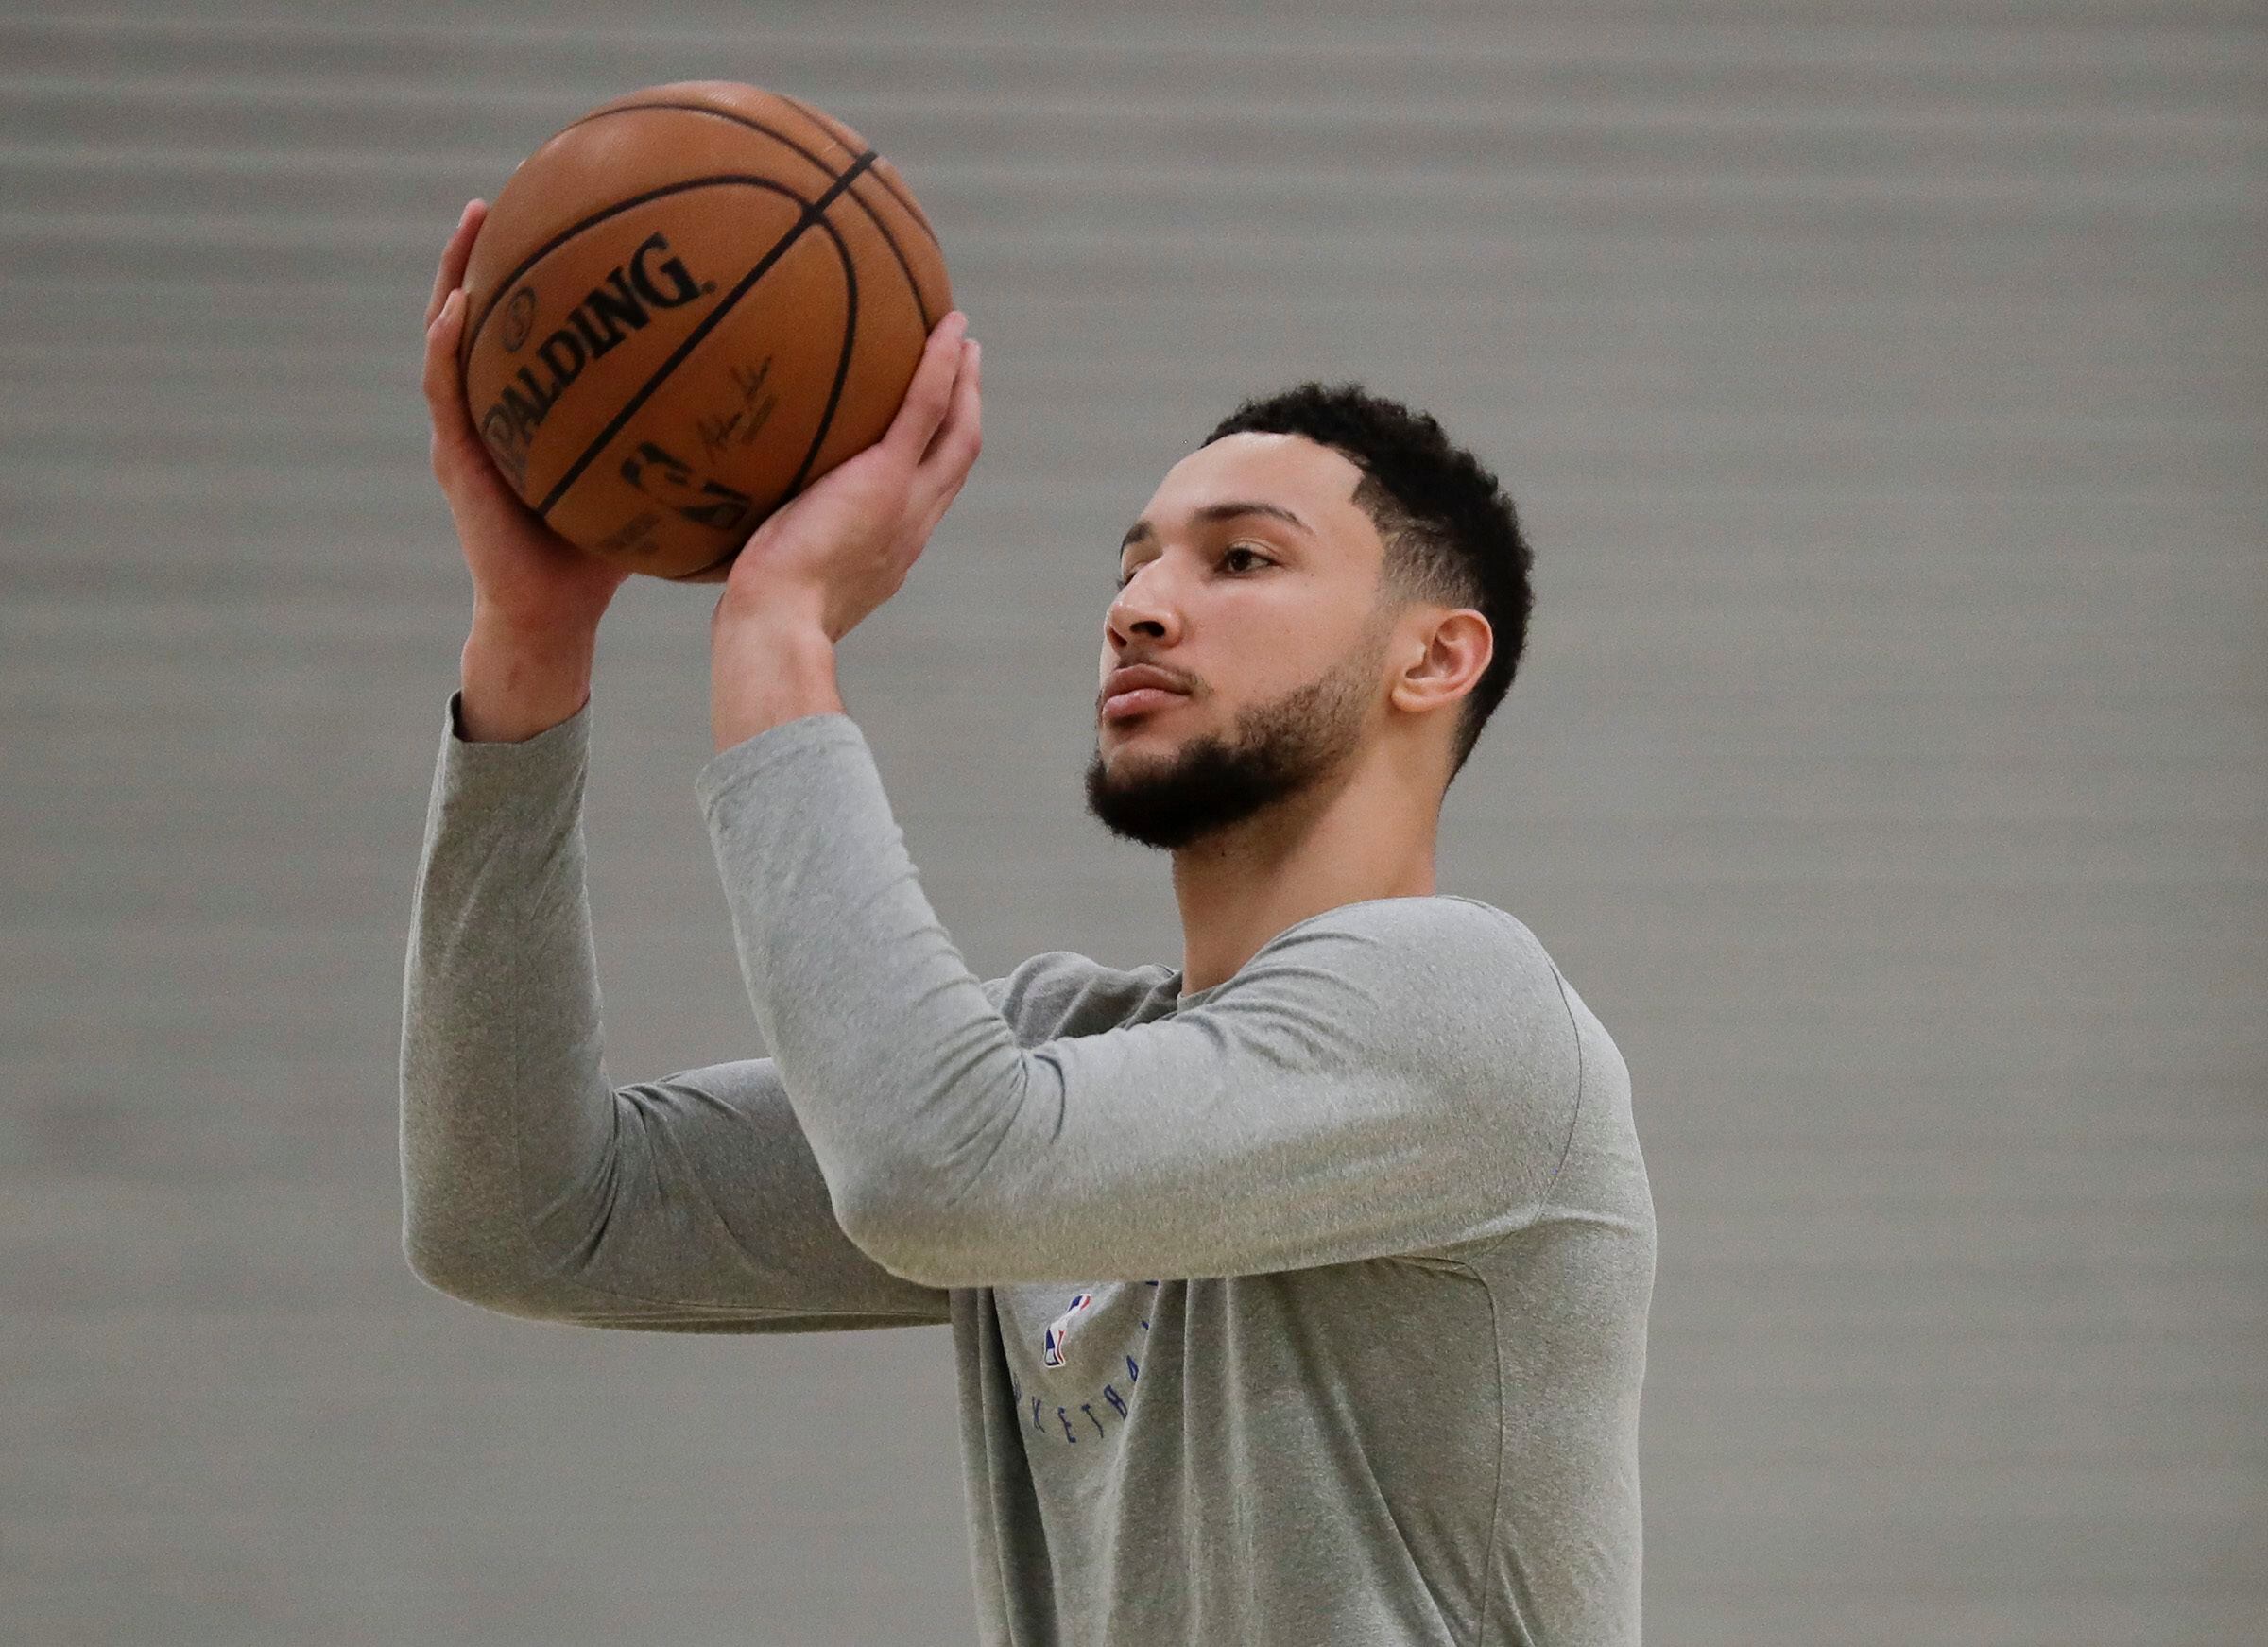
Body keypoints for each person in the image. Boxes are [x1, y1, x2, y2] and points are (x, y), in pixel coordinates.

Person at [403, 198, 1655, 1647]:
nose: (1141, 608)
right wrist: (530, 643)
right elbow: (528, 1217)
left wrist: (774, 635)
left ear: (1435, 656)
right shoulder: (1056, 1060)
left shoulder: (1463, 1005)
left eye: (1238, 560)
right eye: (1132, 565)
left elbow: (939, 1166)